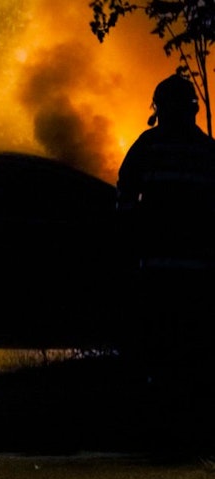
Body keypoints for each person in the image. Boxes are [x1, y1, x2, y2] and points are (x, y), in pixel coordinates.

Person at [116, 73, 215, 384]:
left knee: (158, 341)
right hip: (199, 270)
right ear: (194, 109)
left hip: (155, 267)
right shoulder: (208, 150)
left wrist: (131, 236)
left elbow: (125, 194)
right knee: (193, 345)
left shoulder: (148, 146)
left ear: (158, 109)